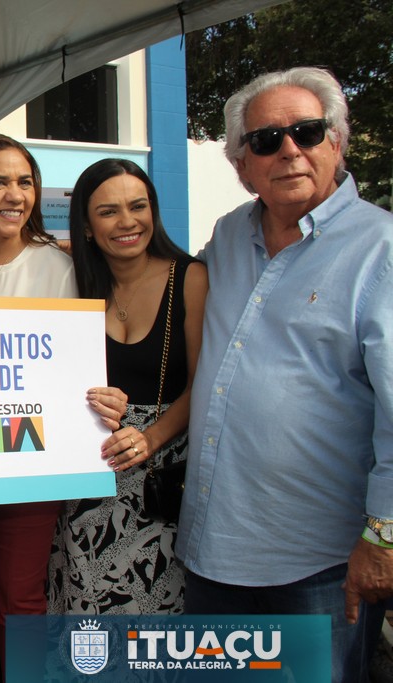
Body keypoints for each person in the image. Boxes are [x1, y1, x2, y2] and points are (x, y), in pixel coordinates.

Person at [176, 66, 393, 682]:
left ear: (337, 142)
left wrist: (384, 538)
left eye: (307, 132)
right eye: (267, 140)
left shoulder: (381, 249)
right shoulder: (228, 234)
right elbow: (157, 285)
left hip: (320, 564)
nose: (290, 150)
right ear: (242, 164)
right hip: (212, 552)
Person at [0, 134, 125, 683]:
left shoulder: (57, 266)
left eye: (25, 181)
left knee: (19, 600)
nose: (15, 194)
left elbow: (67, 367)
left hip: (30, 460)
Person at [48, 159, 207, 615]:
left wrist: (150, 438)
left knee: (157, 615)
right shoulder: (74, 279)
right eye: (108, 211)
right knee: (83, 611)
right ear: (86, 225)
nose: (127, 222)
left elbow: (202, 385)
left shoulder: (190, 277)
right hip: (88, 478)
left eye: (138, 206)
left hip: (162, 479)